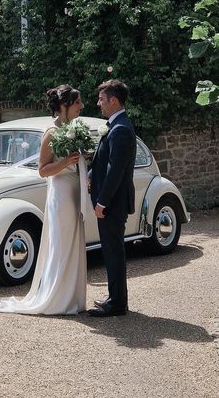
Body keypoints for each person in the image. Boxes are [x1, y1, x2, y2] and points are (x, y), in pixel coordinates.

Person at [0, 84, 87, 315]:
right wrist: (66, 162)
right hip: (61, 194)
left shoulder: (74, 128)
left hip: (75, 191)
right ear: (65, 106)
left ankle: (72, 298)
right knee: (61, 244)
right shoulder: (51, 133)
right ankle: (56, 298)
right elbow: (43, 170)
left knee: (74, 242)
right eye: (77, 103)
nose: (81, 106)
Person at [88, 79, 137, 317]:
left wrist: (102, 202)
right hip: (110, 202)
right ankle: (115, 297)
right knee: (110, 251)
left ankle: (117, 304)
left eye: (101, 99)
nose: (99, 104)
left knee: (114, 252)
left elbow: (115, 170)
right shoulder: (115, 126)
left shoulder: (121, 129)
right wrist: (88, 175)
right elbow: (102, 161)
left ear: (113, 101)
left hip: (112, 204)